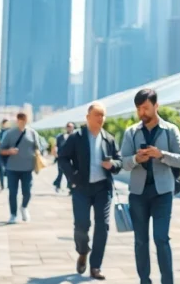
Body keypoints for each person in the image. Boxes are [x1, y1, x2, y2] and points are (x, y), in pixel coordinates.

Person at [120, 88, 180, 284]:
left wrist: (161, 155)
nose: (142, 112)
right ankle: (144, 281)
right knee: (140, 241)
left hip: (162, 193)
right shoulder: (131, 132)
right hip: (138, 193)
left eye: (146, 108)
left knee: (161, 239)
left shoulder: (171, 130)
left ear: (156, 106)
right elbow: (123, 162)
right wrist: (135, 158)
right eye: (139, 109)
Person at [57, 103, 122, 280]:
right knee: (82, 226)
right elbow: (62, 158)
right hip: (81, 188)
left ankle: (95, 266)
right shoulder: (76, 137)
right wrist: (73, 177)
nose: (100, 118)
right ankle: (83, 251)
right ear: (88, 117)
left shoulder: (108, 138)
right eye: (97, 115)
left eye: (103, 115)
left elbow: (119, 160)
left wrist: (113, 165)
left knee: (103, 227)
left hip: (103, 189)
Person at [0, 112, 43, 224]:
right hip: (12, 168)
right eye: (20, 119)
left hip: (27, 168)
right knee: (12, 192)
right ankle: (13, 214)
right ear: (17, 120)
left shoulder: (32, 133)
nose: (22, 121)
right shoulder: (9, 133)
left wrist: (37, 155)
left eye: (24, 119)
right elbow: (1, 150)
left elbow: (38, 148)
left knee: (27, 192)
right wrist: (9, 151)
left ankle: (24, 207)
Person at [53, 122, 76, 193]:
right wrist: (55, 153)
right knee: (61, 172)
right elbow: (56, 146)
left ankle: (71, 188)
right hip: (61, 158)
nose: (69, 128)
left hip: (72, 158)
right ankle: (57, 185)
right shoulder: (60, 136)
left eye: (71, 126)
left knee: (70, 173)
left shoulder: (76, 136)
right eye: (68, 126)